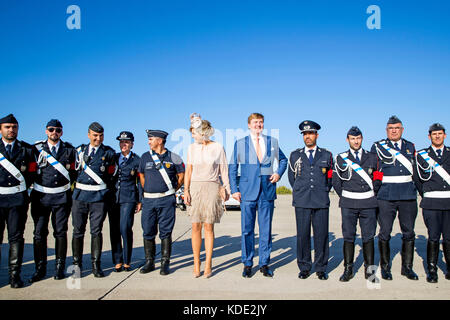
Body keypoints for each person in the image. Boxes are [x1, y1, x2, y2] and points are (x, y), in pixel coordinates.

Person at [229, 113, 287, 278]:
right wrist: (234, 189)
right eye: (255, 122)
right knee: (247, 230)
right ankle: (247, 263)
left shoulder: (271, 142)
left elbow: (283, 160)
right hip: (247, 192)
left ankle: (264, 263)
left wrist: (278, 174)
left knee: (265, 231)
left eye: (261, 122)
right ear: (249, 125)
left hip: (267, 192)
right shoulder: (240, 144)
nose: (258, 125)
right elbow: (233, 167)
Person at [371, 115, 419, 281]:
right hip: (386, 195)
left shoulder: (410, 146)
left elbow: (415, 170)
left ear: (402, 130)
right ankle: (385, 268)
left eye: (397, 128)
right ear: (387, 130)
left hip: (407, 195)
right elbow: (375, 171)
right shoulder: (378, 146)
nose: (394, 131)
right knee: (384, 233)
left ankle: (407, 268)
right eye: (391, 128)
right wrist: (376, 193)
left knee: (409, 233)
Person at [332, 126, 382, 282]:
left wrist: (371, 191)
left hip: (368, 202)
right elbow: (336, 181)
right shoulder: (340, 158)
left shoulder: (373, 157)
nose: (356, 141)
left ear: (362, 139)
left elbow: (378, 177)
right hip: (348, 202)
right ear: (348, 140)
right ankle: (348, 270)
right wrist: (347, 195)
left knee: (368, 237)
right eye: (353, 138)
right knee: (349, 236)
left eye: (358, 138)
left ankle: (370, 271)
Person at [29, 119, 77, 282]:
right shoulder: (36, 149)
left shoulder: (69, 150)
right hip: (41, 197)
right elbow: (31, 172)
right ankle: (40, 269)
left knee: (60, 233)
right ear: (46, 131)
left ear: (61, 132)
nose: (54, 132)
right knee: (39, 234)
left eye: (57, 130)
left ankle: (59, 268)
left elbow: (74, 173)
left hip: (61, 198)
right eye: (51, 129)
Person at [184, 114, 230, 278]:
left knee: (208, 226)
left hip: (212, 187)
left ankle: (209, 264)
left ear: (203, 132)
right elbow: (188, 170)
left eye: (194, 132)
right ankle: (197, 263)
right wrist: (186, 190)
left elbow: (223, 170)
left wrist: (226, 188)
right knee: (196, 225)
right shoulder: (191, 148)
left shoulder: (218, 147)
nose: (192, 135)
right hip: (195, 187)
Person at [288, 120, 333, 280]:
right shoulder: (295, 155)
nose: (308, 136)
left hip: (321, 200)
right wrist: (301, 191)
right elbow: (292, 178)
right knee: (303, 235)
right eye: (305, 134)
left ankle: (321, 268)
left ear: (316, 135)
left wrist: (323, 190)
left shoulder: (327, 155)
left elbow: (330, 177)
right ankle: (305, 267)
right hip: (302, 201)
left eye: (310, 133)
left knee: (321, 235)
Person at [71, 122, 116, 278]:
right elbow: (72, 172)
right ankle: (76, 266)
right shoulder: (78, 151)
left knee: (96, 231)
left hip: (98, 198)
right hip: (80, 196)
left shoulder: (109, 153)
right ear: (88, 135)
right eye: (95, 135)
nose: (98, 138)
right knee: (78, 231)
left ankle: (96, 265)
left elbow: (111, 176)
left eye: (101, 135)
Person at [138, 129, 184, 276]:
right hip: (149, 200)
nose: (148, 142)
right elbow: (142, 177)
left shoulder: (174, 157)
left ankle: (165, 263)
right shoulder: (145, 157)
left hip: (166, 200)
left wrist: (171, 190)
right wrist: (150, 191)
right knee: (148, 231)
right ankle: (149, 262)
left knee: (165, 231)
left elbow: (181, 176)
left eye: (151, 139)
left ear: (159, 140)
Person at [0, 114, 35, 288]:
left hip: (17, 200)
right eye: (7, 127)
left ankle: (15, 276)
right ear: (1, 129)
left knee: (16, 238)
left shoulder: (26, 150)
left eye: (14, 127)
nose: (11, 130)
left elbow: (32, 174)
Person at [414, 123, 450, 283]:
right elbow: (417, 178)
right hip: (431, 203)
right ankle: (432, 270)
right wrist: (426, 194)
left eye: (440, 133)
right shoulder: (422, 155)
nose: (437, 136)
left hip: (449, 202)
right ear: (429, 137)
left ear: (445, 135)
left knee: (449, 238)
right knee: (433, 237)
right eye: (434, 134)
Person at [108, 131, 142, 272]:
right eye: (121, 142)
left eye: (126, 142)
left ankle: (127, 260)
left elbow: (140, 182)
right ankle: (117, 260)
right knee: (114, 229)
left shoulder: (137, 160)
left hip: (129, 198)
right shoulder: (113, 158)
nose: (124, 144)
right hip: (113, 198)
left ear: (132, 144)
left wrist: (140, 200)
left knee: (125, 228)